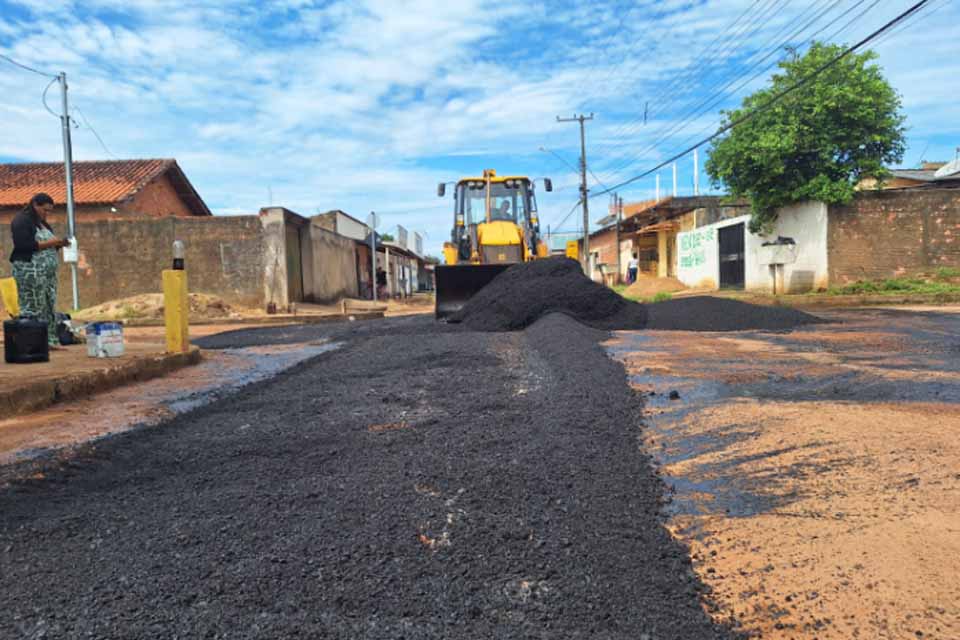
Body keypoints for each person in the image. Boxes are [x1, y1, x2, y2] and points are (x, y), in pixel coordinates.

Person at [10, 193, 69, 348]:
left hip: (47, 274)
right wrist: (52, 242)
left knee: (48, 305)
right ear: (35, 205)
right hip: (30, 271)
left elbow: (48, 247)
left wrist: (59, 244)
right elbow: (23, 245)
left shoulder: (42, 224)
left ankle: (50, 340)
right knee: (33, 306)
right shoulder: (21, 221)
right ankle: (33, 344)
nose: (46, 213)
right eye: (44, 210)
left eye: (49, 211)